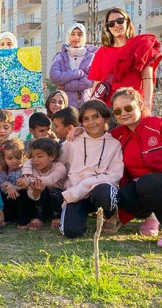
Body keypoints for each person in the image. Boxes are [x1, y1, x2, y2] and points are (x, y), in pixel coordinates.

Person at [111, 88, 162, 248]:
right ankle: (153, 214)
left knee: (147, 183)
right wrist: (76, 132)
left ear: (140, 105)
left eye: (128, 108)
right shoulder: (118, 134)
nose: (123, 113)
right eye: (117, 111)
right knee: (125, 196)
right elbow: (96, 136)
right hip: (145, 186)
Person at [58, 100, 123, 238]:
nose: (91, 122)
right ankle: (81, 215)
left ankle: (111, 215)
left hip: (98, 192)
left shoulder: (114, 144)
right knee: (71, 232)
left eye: (96, 116)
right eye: (86, 119)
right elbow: (59, 163)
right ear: (81, 122)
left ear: (105, 117)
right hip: (76, 194)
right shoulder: (73, 140)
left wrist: (85, 185)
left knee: (103, 191)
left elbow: (114, 175)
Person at [88, 7, 162, 110]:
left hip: (133, 106)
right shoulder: (101, 52)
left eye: (120, 21)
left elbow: (147, 78)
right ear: (107, 27)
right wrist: (92, 107)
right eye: (111, 23)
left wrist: (147, 105)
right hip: (108, 108)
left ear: (127, 22)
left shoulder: (141, 45)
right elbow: (98, 84)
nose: (116, 25)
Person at [19, 138, 66, 231]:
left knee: (55, 192)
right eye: (33, 156)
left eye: (39, 156)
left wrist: (29, 180)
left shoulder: (59, 167)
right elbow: (30, 192)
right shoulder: (33, 169)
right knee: (35, 191)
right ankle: (39, 217)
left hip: (58, 200)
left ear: (52, 157)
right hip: (41, 201)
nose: (35, 160)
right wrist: (36, 192)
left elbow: (49, 180)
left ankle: (57, 216)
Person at [49, 24, 98, 108]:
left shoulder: (92, 56)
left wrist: (66, 86)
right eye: (73, 34)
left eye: (80, 34)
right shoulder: (60, 56)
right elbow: (54, 76)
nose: (76, 38)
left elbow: (91, 80)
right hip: (66, 105)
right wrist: (78, 74)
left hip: (86, 104)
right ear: (68, 36)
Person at [0, 138, 32, 229]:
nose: (14, 161)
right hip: (9, 200)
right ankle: (5, 218)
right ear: (3, 158)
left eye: (18, 157)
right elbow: (2, 186)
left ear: (23, 156)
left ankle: (24, 221)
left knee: (24, 194)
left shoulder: (24, 169)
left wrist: (14, 187)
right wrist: (8, 187)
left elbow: (28, 187)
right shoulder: (3, 171)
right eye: (10, 158)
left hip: (22, 200)